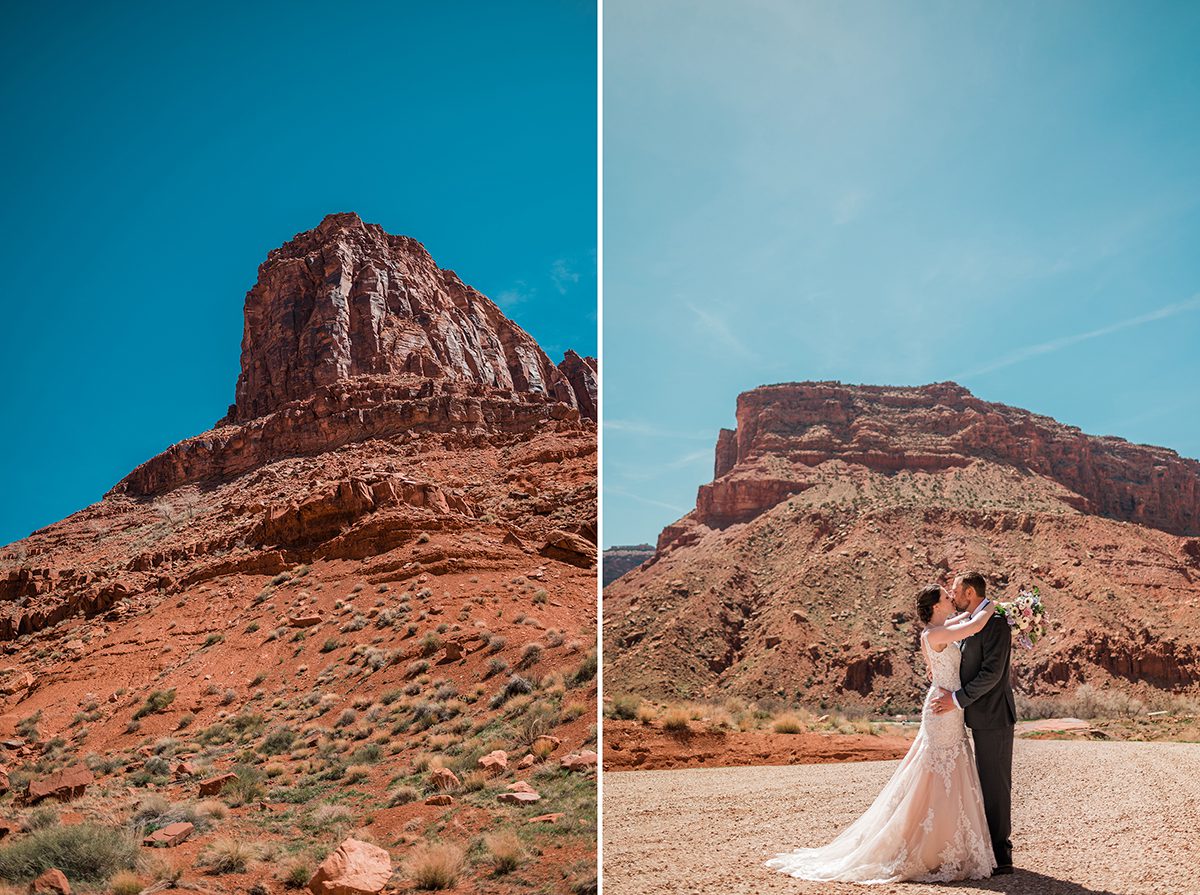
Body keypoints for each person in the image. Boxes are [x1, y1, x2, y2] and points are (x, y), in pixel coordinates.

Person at [764, 583, 997, 883]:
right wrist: (997, 606)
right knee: (935, 775)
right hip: (942, 711)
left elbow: (963, 622)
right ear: (937, 606)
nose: (951, 598)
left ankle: (944, 845)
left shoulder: (937, 629)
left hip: (948, 707)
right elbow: (975, 624)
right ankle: (927, 848)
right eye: (945, 596)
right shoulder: (936, 633)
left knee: (945, 773)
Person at [931, 571, 1016, 874]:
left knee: (994, 785)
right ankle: (986, 851)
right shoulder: (973, 621)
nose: (951, 596)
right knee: (981, 784)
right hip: (975, 715)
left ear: (969, 592)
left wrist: (956, 699)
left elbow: (991, 674)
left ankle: (1002, 856)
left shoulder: (995, 623)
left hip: (994, 716)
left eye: (954, 590)